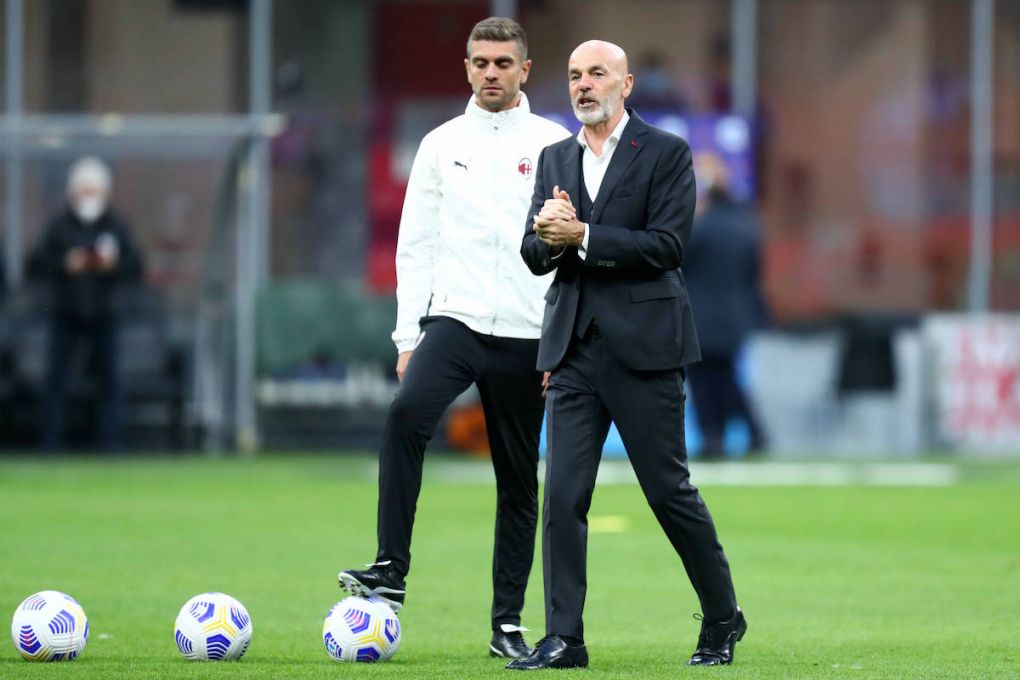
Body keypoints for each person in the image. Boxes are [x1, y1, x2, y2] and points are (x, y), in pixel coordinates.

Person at [508, 41, 746, 670]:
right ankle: (565, 638)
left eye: (597, 75)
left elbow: (668, 246)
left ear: (626, 84)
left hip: (644, 349)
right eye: (575, 76)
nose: (583, 85)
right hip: (573, 351)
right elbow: (536, 260)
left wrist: (582, 234)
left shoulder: (666, 153)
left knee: (668, 492)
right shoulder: (555, 155)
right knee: (561, 496)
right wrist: (544, 234)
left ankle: (723, 616)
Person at [337, 17, 570, 660]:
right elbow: (416, 245)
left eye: (502, 63)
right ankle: (390, 568)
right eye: (479, 62)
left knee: (519, 480)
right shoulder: (440, 144)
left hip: (528, 332)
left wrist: (562, 342)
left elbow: (570, 251)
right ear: (466, 69)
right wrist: (407, 336)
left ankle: (507, 625)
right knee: (406, 414)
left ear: (525, 69)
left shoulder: (557, 143)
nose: (490, 72)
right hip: (456, 320)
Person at [32, 156, 143, 451]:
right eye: (84, 190)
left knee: (110, 383)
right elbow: (38, 265)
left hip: (105, 314)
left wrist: (112, 266)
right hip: (65, 314)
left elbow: (135, 267)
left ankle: (112, 446)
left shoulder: (117, 226)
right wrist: (66, 264)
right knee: (56, 382)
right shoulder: (59, 226)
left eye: (94, 191)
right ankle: (51, 445)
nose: (89, 197)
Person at [685, 151, 768, 458]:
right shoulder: (747, 225)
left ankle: (713, 437)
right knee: (727, 377)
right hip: (736, 314)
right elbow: (753, 271)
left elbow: (680, 263)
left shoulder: (701, 227)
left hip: (700, 315)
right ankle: (754, 432)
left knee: (705, 382)